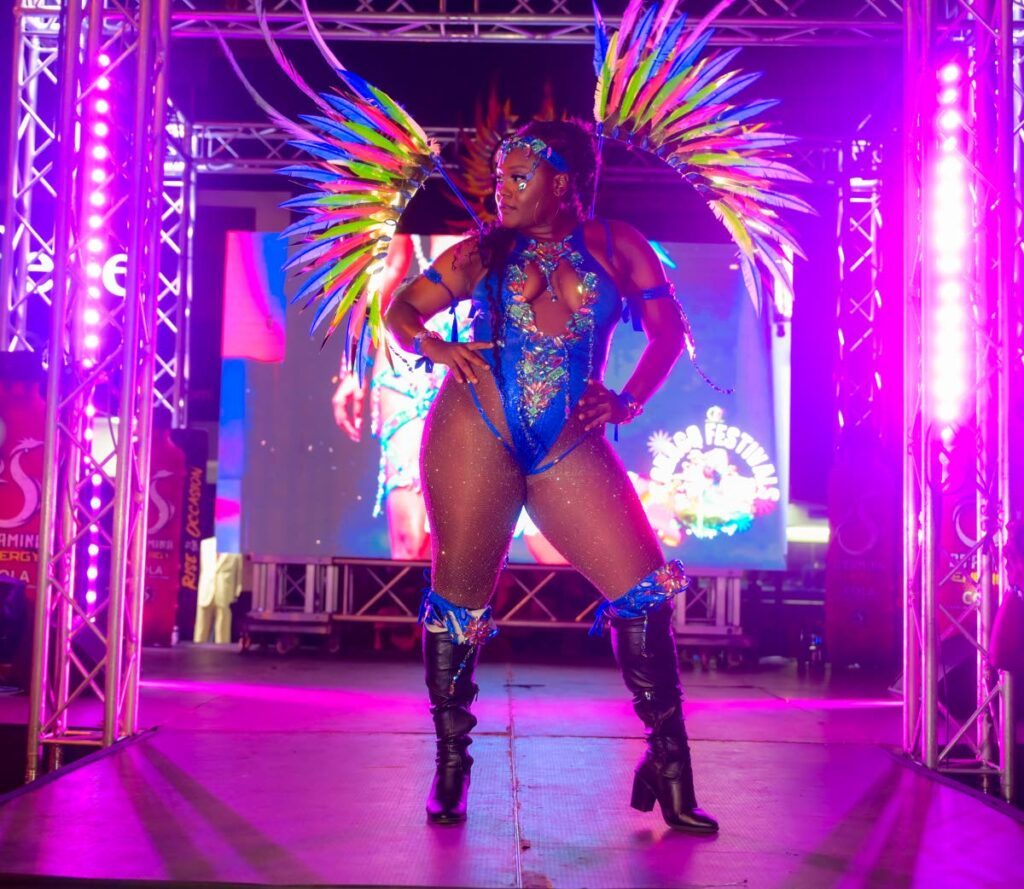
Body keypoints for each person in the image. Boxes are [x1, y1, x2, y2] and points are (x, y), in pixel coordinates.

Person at [384, 118, 718, 833]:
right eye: (499, 177)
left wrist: (628, 397)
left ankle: (668, 761)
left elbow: (668, 334)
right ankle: (452, 762)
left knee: (644, 592)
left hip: (568, 441)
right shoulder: (484, 251)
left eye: (517, 176)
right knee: (458, 601)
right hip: (476, 429)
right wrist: (435, 347)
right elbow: (402, 308)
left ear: (562, 181)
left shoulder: (617, 244)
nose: (500, 189)